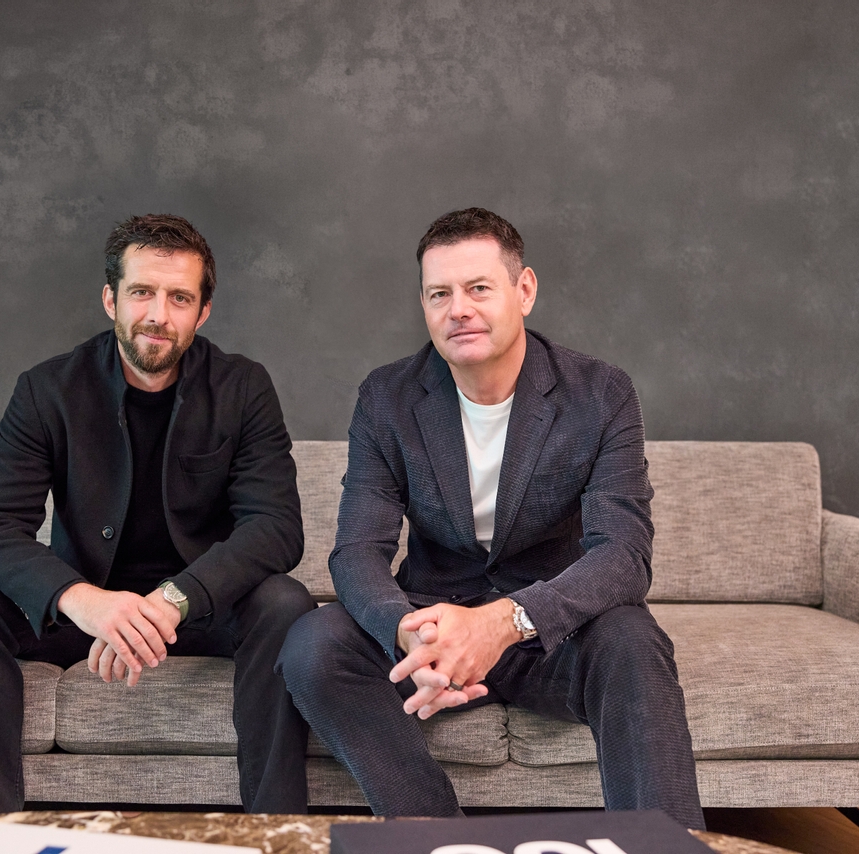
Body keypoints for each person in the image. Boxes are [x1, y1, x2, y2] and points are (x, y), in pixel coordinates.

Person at [276, 207, 705, 830]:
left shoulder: (601, 394)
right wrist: (408, 634)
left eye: (478, 288)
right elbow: (357, 550)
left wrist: (504, 622)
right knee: (313, 644)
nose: (459, 309)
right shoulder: (387, 397)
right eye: (439, 294)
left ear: (523, 291)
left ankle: (661, 849)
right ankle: (440, 841)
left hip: (548, 632)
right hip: (434, 628)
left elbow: (624, 555)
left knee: (633, 641)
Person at [0, 213, 314, 816]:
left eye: (179, 298)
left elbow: (275, 527)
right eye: (142, 292)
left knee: (285, 602)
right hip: (84, 611)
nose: (158, 315)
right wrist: (84, 601)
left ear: (203, 311)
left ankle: (277, 833)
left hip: (199, 608)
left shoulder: (243, 387)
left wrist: (172, 601)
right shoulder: (47, 389)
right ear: (111, 299)